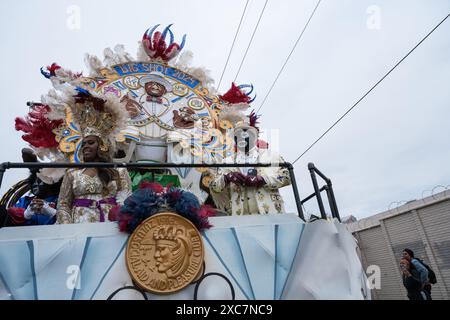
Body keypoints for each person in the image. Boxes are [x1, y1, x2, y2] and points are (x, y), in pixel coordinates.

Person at [56, 89, 131, 224]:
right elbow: (63, 205)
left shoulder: (119, 172)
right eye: (83, 143)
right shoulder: (72, 174)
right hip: (79, 229)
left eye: (91, 142)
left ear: (102, 145)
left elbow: (127, 201)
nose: (85, 146)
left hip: (109, 228)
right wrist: (68, 228)